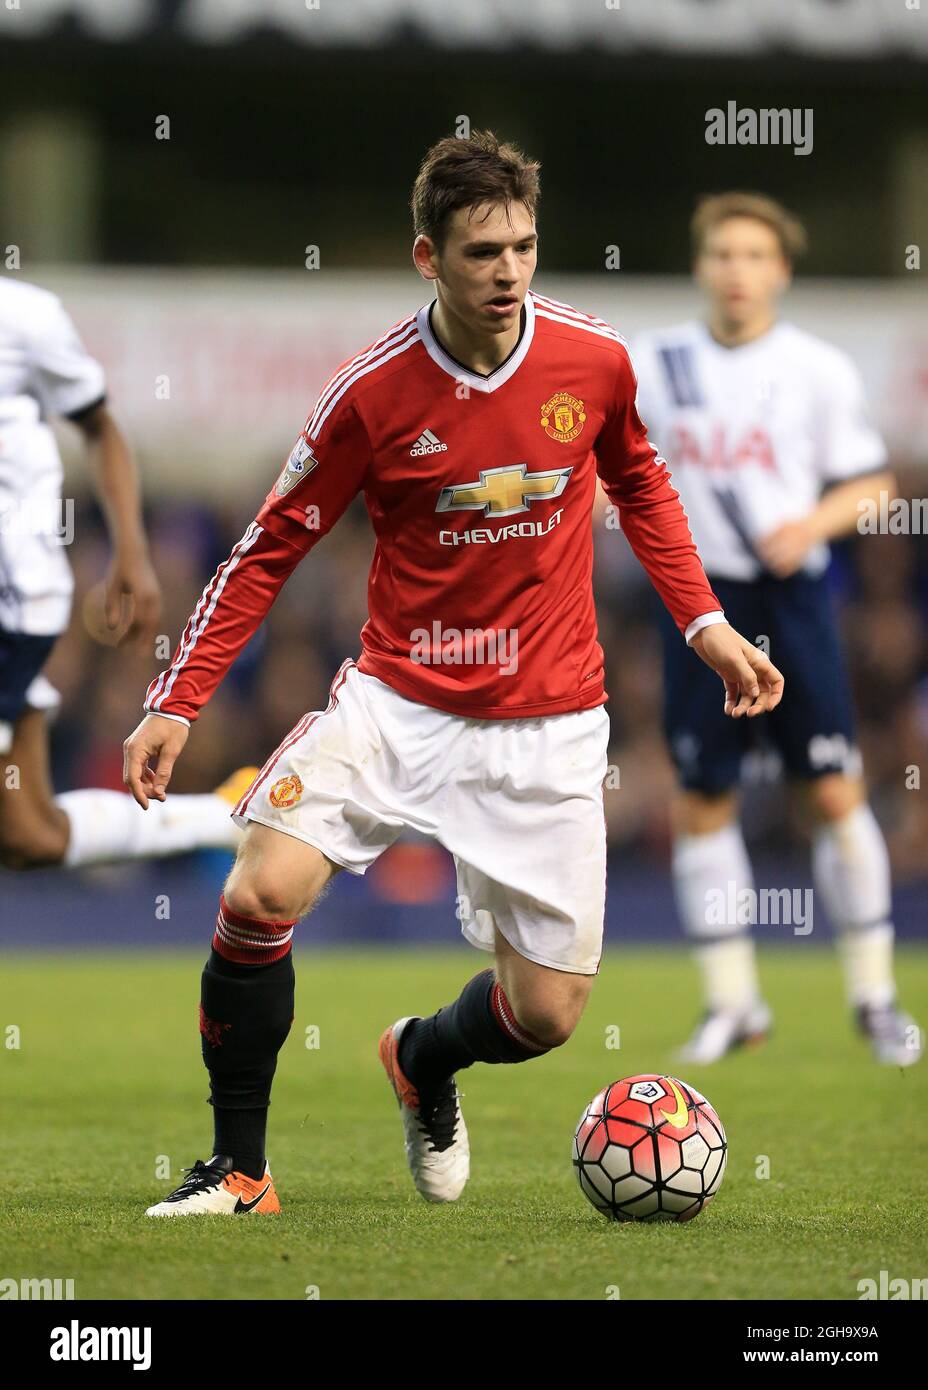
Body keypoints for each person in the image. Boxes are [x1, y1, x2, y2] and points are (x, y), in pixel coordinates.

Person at [123, 133, 783, 1218]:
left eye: (524, 245)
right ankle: (240, 1172)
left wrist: (703, 621)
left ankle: (423, 1059)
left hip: (551, 723)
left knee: (548, 1016)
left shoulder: (594, 363)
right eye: (483, 251)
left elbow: (645, 485)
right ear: (428, 256)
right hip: (396, 704)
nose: (509, 271)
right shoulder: (371, 394)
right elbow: (269, 545)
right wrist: (177, 698)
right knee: (257, 892)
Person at [631, 192, 922, 1067]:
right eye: (723, 253)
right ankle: (733, 1006)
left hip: (792, 599)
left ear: (782, 271)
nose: (737, 271)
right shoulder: (655, 363)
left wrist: (813, 525)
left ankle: (874, 996)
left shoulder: (817, 369)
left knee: (832, 790)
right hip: (697, 602)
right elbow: (615, 466)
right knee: (703, 799)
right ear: (700, 265)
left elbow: (873, 484)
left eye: (755, 255)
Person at [0, 275, 252, 873]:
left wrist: (131, 553)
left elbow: (100, 426)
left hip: (12, 601)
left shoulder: (24, 316)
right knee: (27, 834)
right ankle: (226, 814)